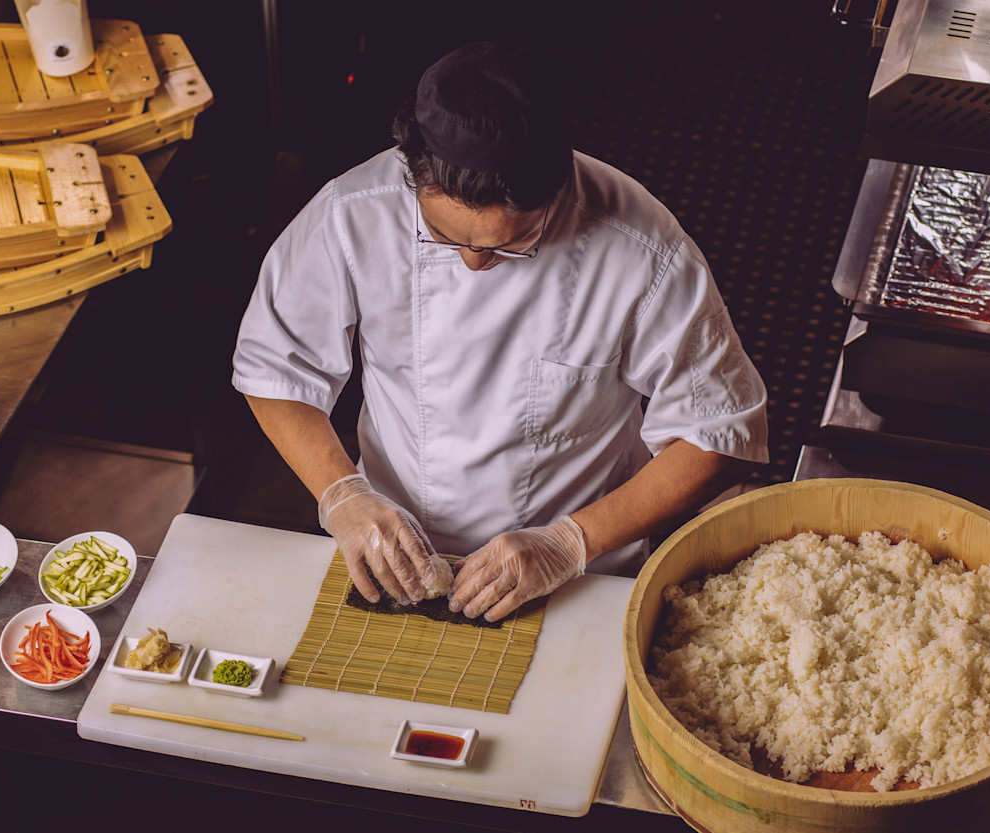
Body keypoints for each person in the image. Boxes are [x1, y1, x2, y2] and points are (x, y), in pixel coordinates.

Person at [232, 41, 768, 622]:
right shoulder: (352, 213)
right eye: (446, 239)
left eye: (508, 246)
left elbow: (719, 435)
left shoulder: (642, 249)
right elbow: (273, 368)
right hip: (392, 559)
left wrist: (570, 543)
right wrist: (343, 495)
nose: (471, 263)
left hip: (578, 577)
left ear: (557, 185)